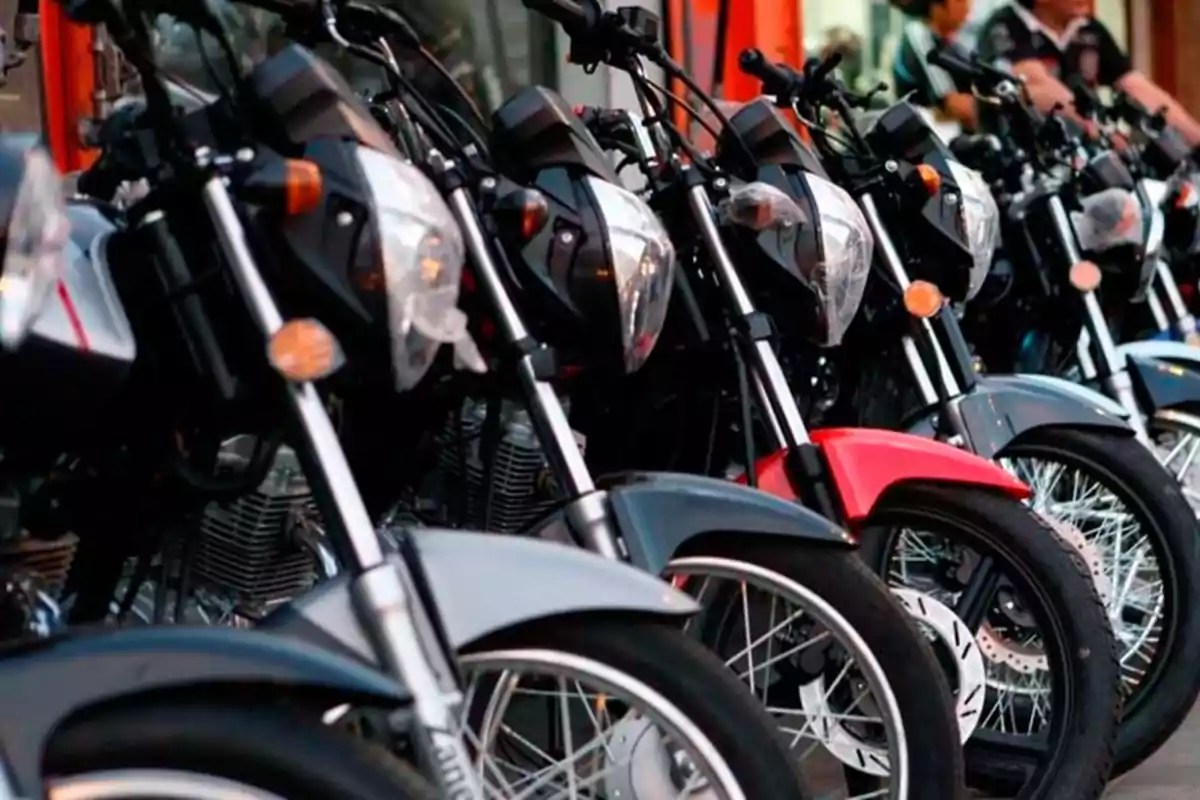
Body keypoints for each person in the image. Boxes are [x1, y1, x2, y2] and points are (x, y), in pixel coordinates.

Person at [975, 0, 1200, 144]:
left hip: (1080, 161)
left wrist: (1195, 136)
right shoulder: (1006, 26)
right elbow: (1035, 84)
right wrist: (1102, 129)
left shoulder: (1089, 30)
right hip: (1019, 163)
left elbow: (1137, 87)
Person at [891, 0, 979, 130]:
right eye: (960, 0)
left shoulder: (959, 48)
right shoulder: (918, 34)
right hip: (928, 139)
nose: (968, 6)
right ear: (937, 5)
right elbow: (955, 106)